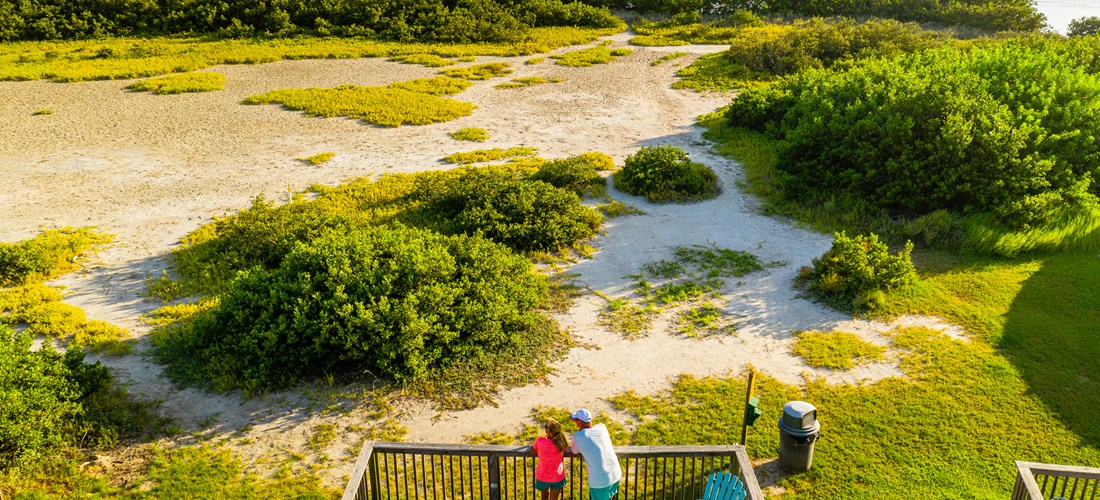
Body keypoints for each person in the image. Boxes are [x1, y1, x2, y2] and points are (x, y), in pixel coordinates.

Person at [569, 408, 622, 500]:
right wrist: (578, 421)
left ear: (579, 422)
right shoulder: (602, 427)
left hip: (600, 480)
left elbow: (574, 451)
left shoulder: (578, 436)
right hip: (615, 473)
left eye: (576, 420)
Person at [530, 418, 569, 500]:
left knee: (544, 497)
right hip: (557, 476)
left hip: (543, 475)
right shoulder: (562, 443)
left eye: (545, 426)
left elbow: (532, 451)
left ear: (548, 431)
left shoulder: (540, 441)